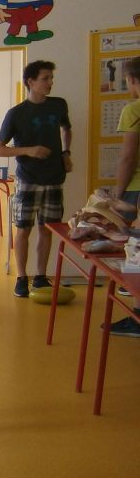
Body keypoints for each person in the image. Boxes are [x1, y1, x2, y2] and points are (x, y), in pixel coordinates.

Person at [0, 60, 72, 298]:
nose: (50, 82)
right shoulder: (16, 113)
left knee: (47, 229)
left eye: (51, 78)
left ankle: (40, 276)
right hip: (28, 180)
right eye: (45, 78)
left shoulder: (59, 105)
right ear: (31, 81)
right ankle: (21, 277)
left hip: (54, 178)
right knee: (23, 230)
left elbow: (67, 129)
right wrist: (28, 150)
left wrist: (66, 153)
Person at [109, 57, 140, 337]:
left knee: (136, 253)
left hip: (136, 188)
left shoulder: (133, 110)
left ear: (132, 80)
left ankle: (137, 318)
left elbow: (128, 158)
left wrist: (118, 195)